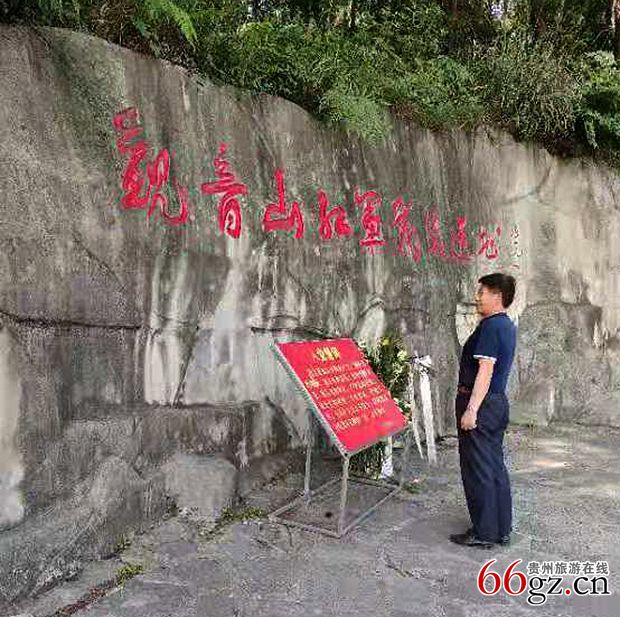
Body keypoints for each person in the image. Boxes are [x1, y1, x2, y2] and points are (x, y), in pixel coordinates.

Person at [450, 273, 517, 549]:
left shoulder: (490, 327)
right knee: (493, 465)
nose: (477, 298)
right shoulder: (506, 325)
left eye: (482, 293)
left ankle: (484, 532)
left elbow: (485, 370)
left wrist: (471, 410)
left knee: (478, 468)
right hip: (497, 403)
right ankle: (500, 528)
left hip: (482, 404)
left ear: (497, 296)